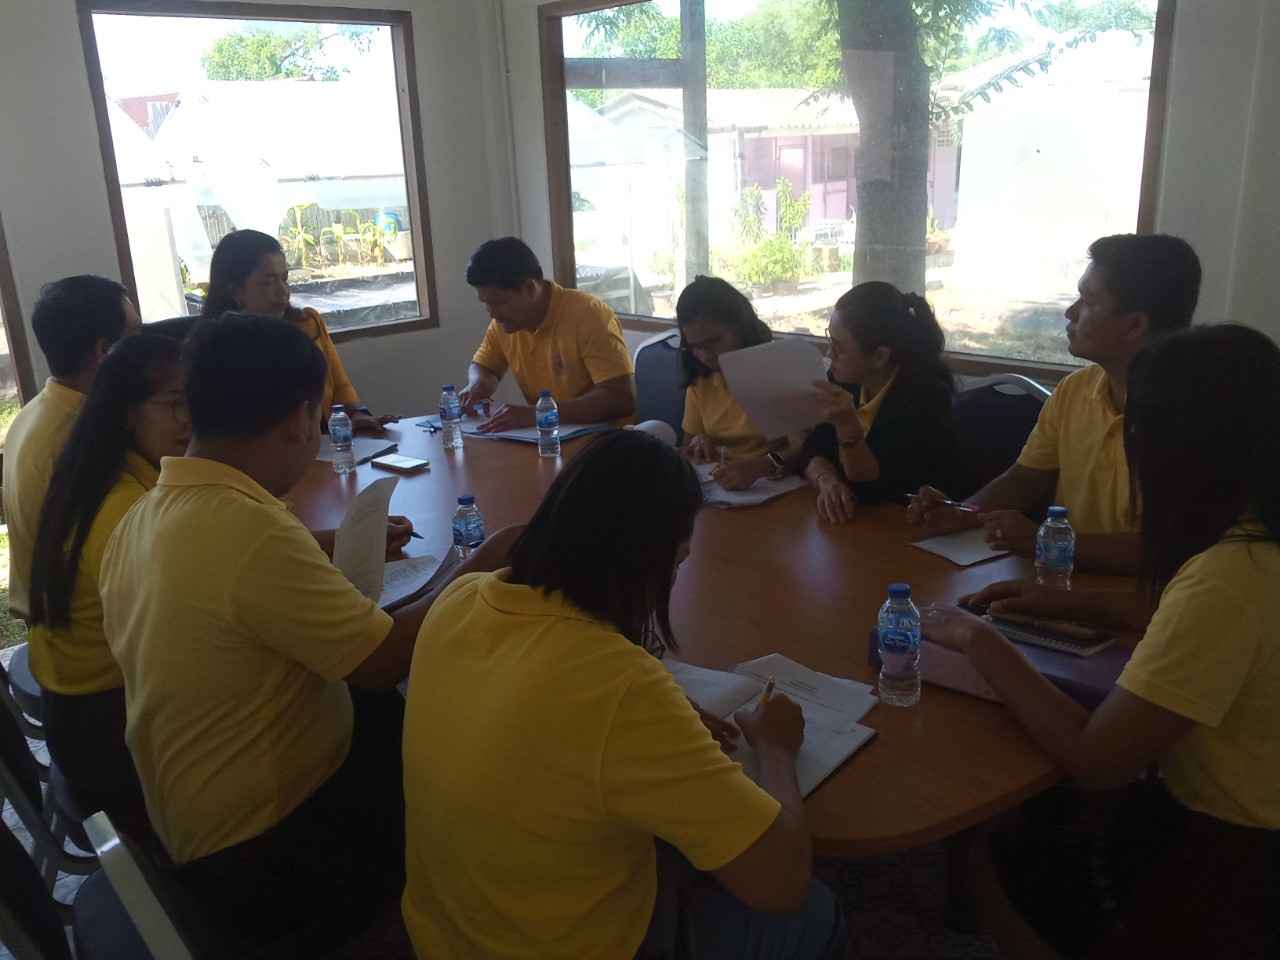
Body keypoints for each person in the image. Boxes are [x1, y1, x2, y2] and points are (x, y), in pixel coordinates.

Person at [98, 314, 517, 957]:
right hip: (267, 850)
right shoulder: (246, 530)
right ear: (301, 419)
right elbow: (381, 661)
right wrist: (484, 562)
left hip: (191, 823)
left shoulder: (147, 513)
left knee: (407, 723)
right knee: (482, 780)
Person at [401, 430, 848, 960]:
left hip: (444, 934)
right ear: (643, 558)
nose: (674, 579)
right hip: (564, 947)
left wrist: (655, 719)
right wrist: (774, 748)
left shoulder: (461, 597)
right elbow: (781, 884)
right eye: (677, 562)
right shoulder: (620, 686)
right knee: (814, 911)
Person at [922, 323, 1280, 960]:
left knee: (994, 853)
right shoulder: (1255, 542)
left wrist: (978, 639)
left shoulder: (1225, 579)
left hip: (1236, 845)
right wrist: (1062, 601)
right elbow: (1203, 615)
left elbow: (1095, 761)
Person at [908, 233, 1202, 573]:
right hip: (1065, 578)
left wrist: (1047, 543)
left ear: (1136, 324)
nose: (1070, 311)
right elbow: (1024, 479)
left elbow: (1178, 549)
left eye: (1087, 301)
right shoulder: (1075, 390)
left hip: (1154, 596)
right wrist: (961, 513)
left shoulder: (1196, 413)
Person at [26, 335, 189, 835]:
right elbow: (185, 640)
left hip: (76, 714)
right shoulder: (129, 509)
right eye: (175, 404)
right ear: (125, 413)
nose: (190, 419)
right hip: (108, 735)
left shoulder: (100, 472)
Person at [2, 275, 141, 621]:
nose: (146, 346)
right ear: (105, 351)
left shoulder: (32, 414)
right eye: (136, 334)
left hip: (52, 632)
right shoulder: (83, 437)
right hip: (92, 640)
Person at [202, 228, 396, 435]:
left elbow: (340, 388)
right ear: (234, 290)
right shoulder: (213, 348)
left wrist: (357, 413)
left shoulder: (307, 325)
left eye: (285, 279)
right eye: (269, 282)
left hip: (322, 443)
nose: (283, 291)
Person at [799, 281, 963, 524]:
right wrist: (827, 481)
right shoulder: (846, 380)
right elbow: (813, 450)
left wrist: (847, 427)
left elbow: (873, 490)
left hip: (906, 526)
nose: (829, 355)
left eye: (838, 348)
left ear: (879, 357)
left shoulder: (925, 400)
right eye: (830, 342)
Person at [457, 236, 636, 432]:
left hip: (607, 438)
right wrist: (478, 383)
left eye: (500, 303)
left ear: (529, 289)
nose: (492, 313)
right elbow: (484, 367)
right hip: (549, 437)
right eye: (486, 303)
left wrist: (537, 414)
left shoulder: (589, 315)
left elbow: (621, 399)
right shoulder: (504, 324)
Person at [674, 275, 792, 489]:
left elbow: (808, 451)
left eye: (713, 342)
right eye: (696, 347)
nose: (706, 356)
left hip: (774, 486)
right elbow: (687, 448)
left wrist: (764, 465)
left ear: (741, 326)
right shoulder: (702, 380)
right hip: (720, 486)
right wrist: (698, 441)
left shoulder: (779, 372)